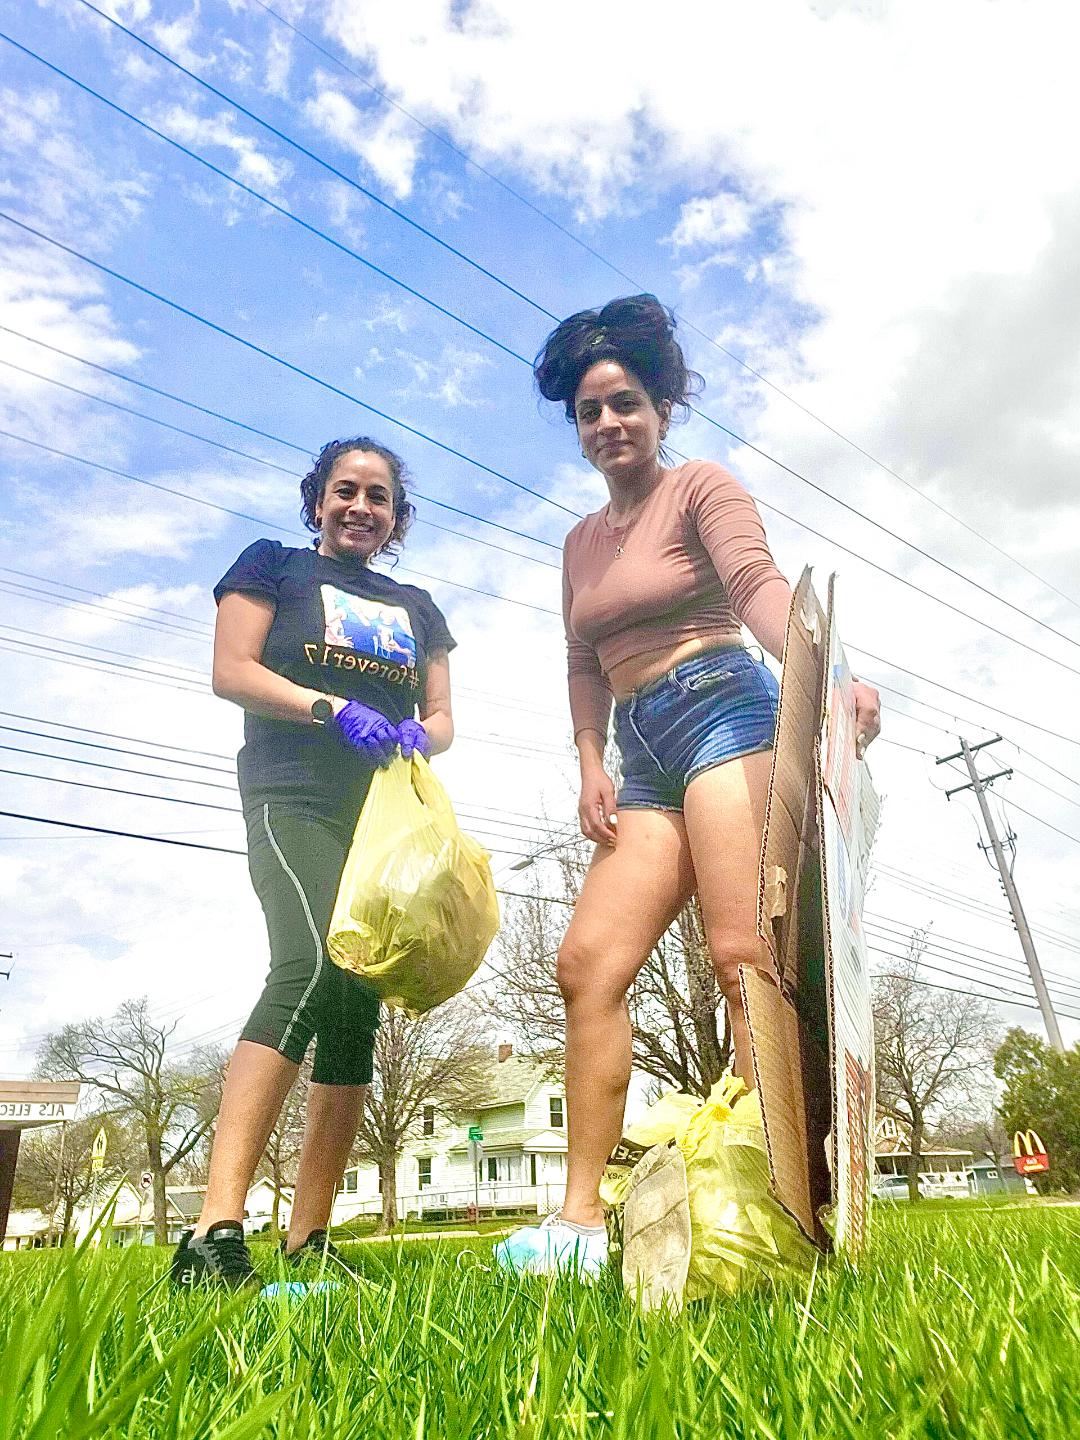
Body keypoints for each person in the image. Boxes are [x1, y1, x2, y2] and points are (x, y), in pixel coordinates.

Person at [495, 296, 880, 1277]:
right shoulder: (580, 542)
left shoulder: (701, 487)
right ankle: (580, 1227)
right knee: (587, 964)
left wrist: (824, 678)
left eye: (625, 402)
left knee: (743, 956)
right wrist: (590, 760)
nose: (608, 424)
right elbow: (582, 660)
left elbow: (756, 586)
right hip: (641, 750)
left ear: (662, 408)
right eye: (588, 412)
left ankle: (775, 1208)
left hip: (726, 709)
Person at [171, 436, 455, 1289]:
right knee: (304, 965)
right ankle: (213, 1233)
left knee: (355, 1003)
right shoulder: (274, 567)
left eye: (378, 496)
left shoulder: (417, 606)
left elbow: (442, 719)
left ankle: (310, 1239)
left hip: (379, 819)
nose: (360, 507)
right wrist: (328, 707)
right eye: (345, 491)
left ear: (396, 517)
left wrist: (416, 736)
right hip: (290, 793)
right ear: (317, 501)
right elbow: (232, 670)